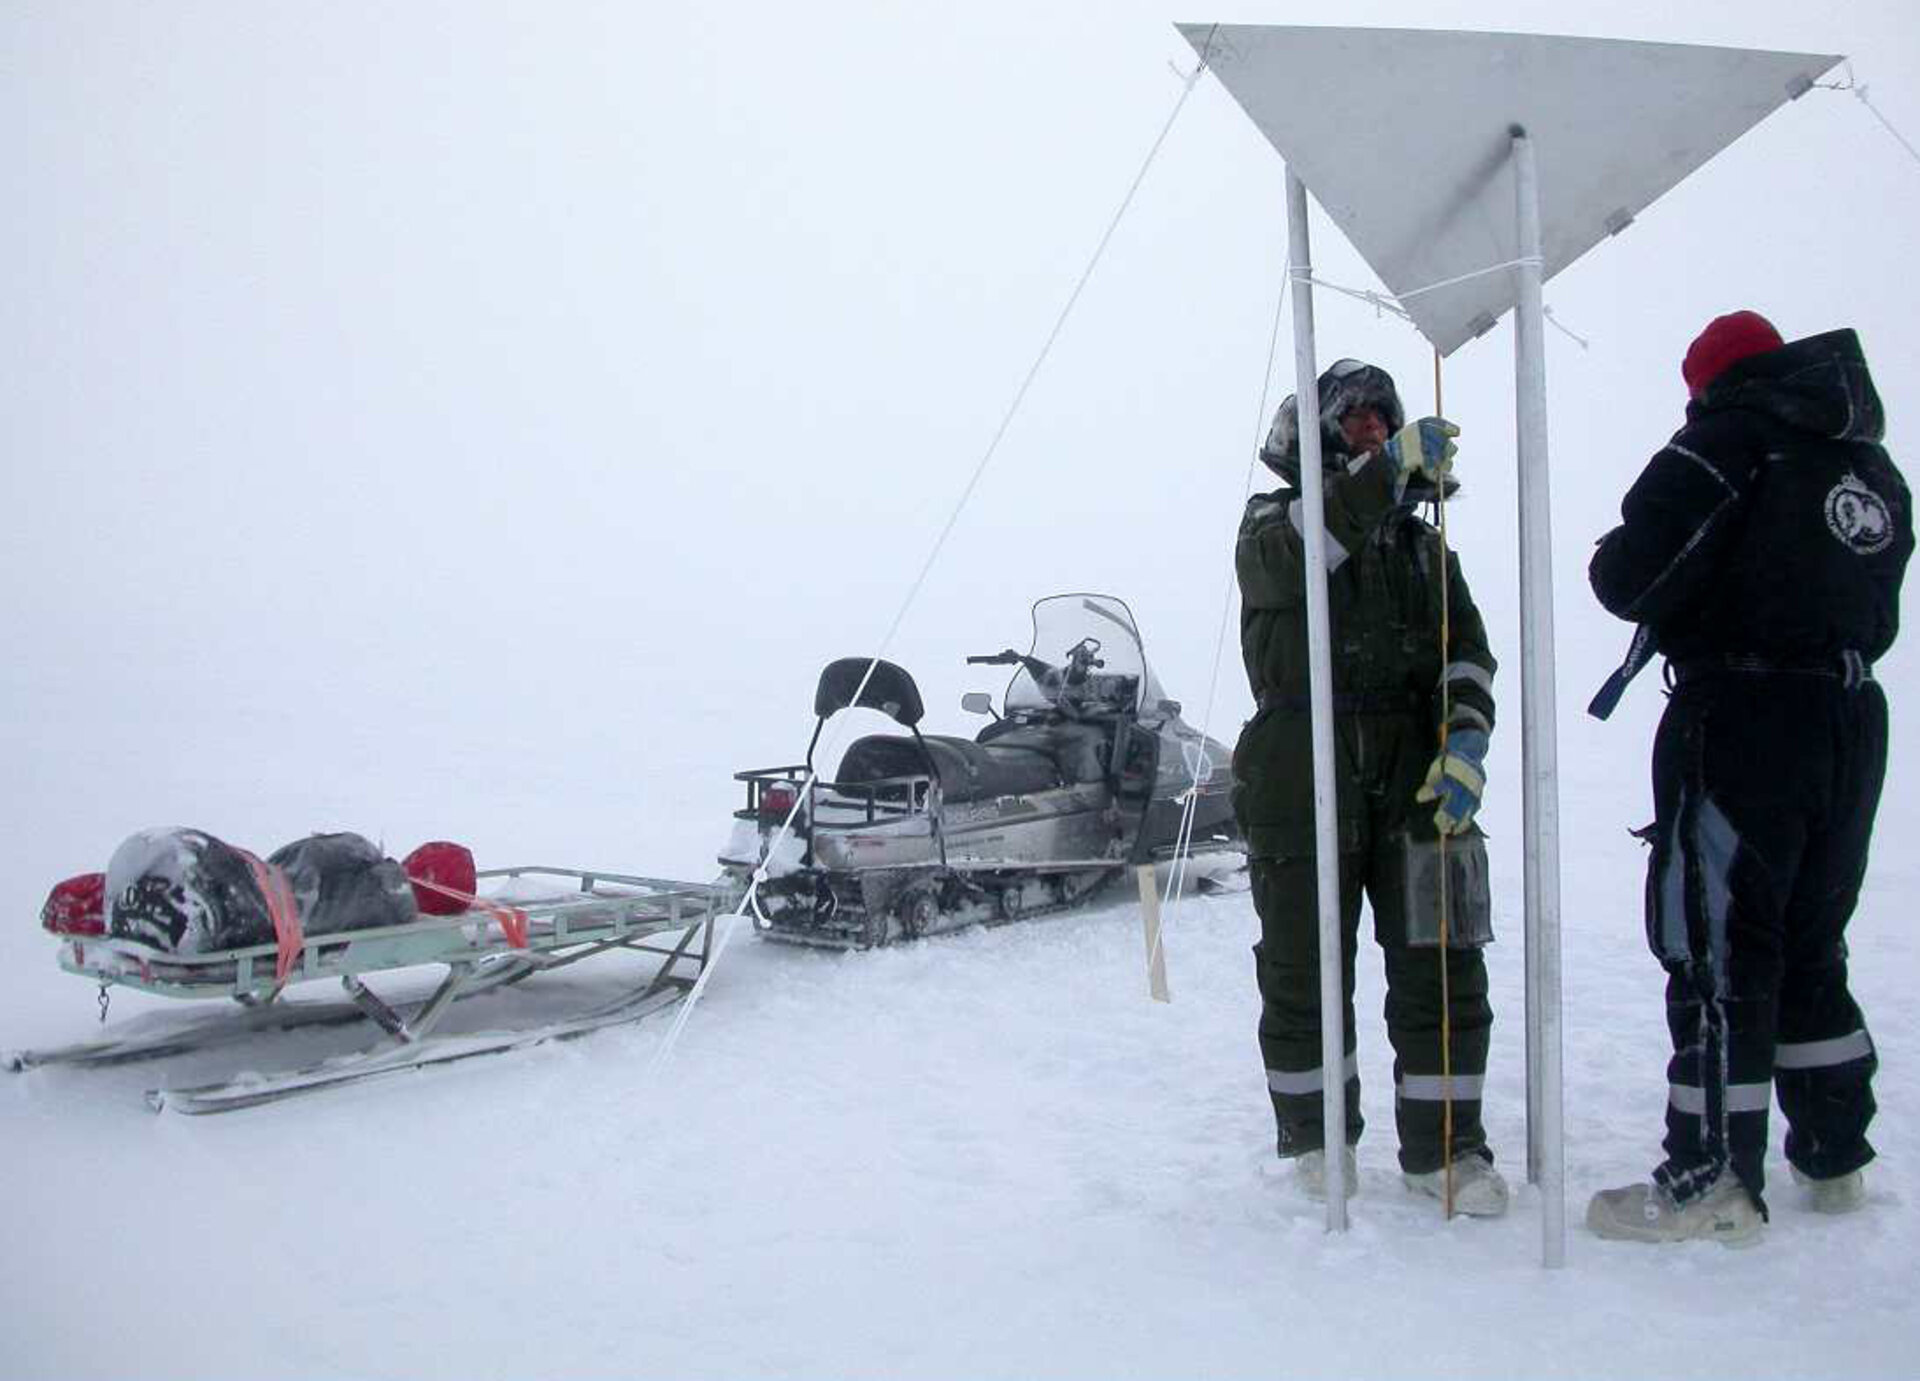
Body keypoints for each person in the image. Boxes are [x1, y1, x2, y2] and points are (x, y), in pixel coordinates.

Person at [1586, 312, 1911, 1245]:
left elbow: (1629, 575)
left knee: (1720, 941)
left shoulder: (1728, 441)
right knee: (1811, 934)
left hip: (1743, 718)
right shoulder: (1865, 465)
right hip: (1850, 720)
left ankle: (1710, 1174)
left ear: (1711, 382)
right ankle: (1835, 1152)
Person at [1233, 358, 1508, 1216]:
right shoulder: (1272, 525)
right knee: (1304, 964)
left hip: (1416, 770)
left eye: (1385, 421)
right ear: (1317, 433)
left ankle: (1447, 1148)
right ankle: (1319, 1142)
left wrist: (1466, 735)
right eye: (1355, 419)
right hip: (1300, 757)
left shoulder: (1428, 549)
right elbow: (1303, 557)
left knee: (1444, 959)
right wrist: (1383, 480)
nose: (1374, 430)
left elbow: (1467, 648)